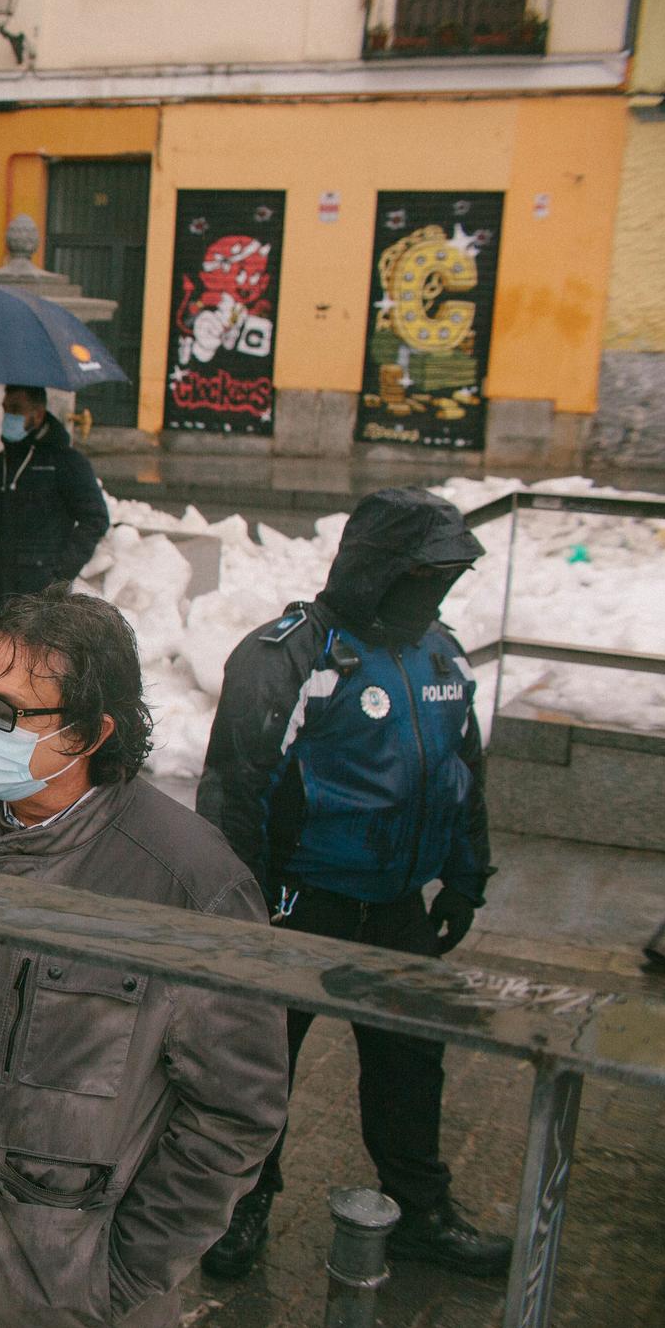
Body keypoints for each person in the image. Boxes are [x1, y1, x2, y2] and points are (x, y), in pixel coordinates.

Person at [0, 586, 287, 1327]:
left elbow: (235, 1113)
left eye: (8, 710)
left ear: (90, 733)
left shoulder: (188, 883)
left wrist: (116, 1275)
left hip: (68, 1297)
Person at [196, 485, 509, 1281]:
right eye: (423, 577)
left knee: (411, 1063)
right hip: (306, 900)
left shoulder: (442, 653)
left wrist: (465, 878)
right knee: (262, 1064)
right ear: (379, 570)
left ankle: (420, 1207)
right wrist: (245, 909)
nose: (435, 595)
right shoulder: (292, 652)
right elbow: (237, 788)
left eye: (445, 579)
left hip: (398, 904)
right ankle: (241, 1202)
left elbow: (462, 773)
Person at [0, 385, 110, 613]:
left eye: (16, 409)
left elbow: (95, 519)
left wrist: (60, 572)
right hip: (4, 587)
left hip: (46, 594)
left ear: (38, 414)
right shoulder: (0, 464)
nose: (8, 417)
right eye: (5, 409)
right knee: (5, 649)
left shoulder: (65, 462)